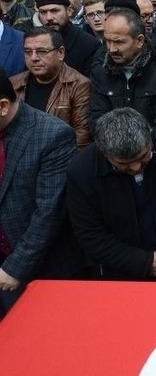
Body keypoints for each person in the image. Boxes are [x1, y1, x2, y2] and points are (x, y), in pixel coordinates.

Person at [66, 108, 156, 280]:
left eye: (144, 157)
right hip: (121, 272)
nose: (136, 167)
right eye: (124, 164)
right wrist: (144, 263)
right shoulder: (82, 171)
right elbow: (90, 234)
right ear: (105, 154)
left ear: (149, 137)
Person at [0, 68, 77, 316]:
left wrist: (15, 268)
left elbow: (48, 213)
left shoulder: (52, 136)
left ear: (2, 106)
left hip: (33, 269)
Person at [89, 8, 156, 130]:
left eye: (118, 42)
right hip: (109, 146)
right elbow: (97, 122)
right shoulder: (100, 72)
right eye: (108, 41)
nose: (111, 49)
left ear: (139, 41)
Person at [10, 27, 90, 147]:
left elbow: (81, 139)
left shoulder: (79, 85)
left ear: (61, 53)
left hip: (58, 158)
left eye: (42, 51)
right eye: (27, 52)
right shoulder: (14, 83)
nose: (34, 58)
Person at [34, 0, 104, 77]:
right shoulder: (32, 44)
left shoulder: (89, 45)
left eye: (54, 11)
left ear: (69, 11)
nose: (49, 17)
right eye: (43, 12)